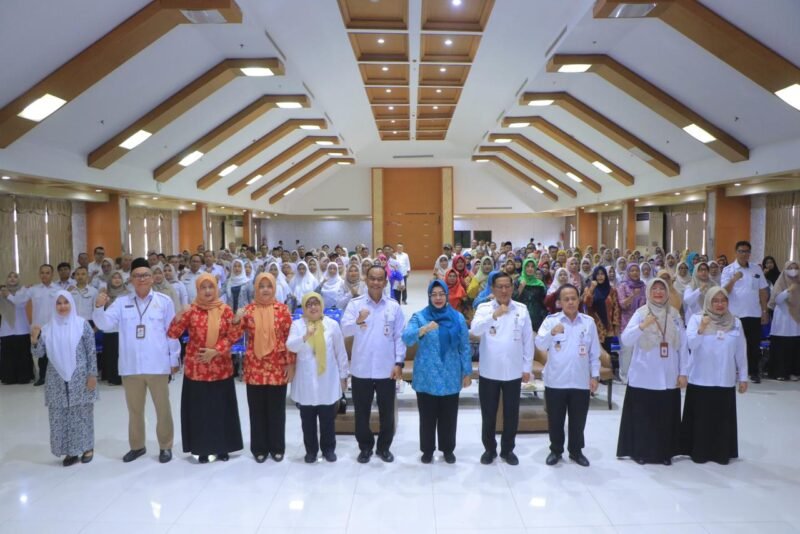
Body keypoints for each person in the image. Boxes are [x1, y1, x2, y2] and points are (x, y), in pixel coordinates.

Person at [93, 258, 181, 463]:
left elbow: (172, 332)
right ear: (131, 280)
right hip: (131, 366)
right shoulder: (121, 303)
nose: (142, 279)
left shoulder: (163, 301)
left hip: (157, 365)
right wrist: (98, 308)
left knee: (163, 409)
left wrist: (174, 358)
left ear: (152, 278)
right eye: (137, 276)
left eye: (145, 275)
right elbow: (105, 324)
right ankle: (137, 446)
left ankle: (165, 446)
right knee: (135, 411)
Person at [167, 273, 243, 463]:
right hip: (197, 370)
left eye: (211, 287)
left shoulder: (225, 310)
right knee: (200, 411)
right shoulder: (191, 310)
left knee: (221, 409)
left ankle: (223, 448)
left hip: (220, 368)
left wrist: (216, 351)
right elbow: (173, 333)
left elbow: (234, 335)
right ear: (197, 290)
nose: (208, 291)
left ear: (216, 289)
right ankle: (202, 449)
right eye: (203, 287)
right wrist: (179, 315)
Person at [617, 278, 688, 465]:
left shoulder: (674, 315)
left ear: (667, 292)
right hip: (644, 375)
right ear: (648, 292)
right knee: (644, 417)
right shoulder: (641, 313)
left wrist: (683, 373)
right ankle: (641, 452)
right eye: (654, 289)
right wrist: (642, 326)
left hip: (668, 374)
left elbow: (683, 345)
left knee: (665, 416)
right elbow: (626, 339)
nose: (658, 292)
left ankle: (665, 453)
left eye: (661, 289)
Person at [341, 265, 405, 464]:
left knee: (387, 413)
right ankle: (365, 447)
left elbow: (399, 337)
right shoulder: (355, 304)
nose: (376, 282)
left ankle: (384, 447)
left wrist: (399, 362)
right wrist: (358, 320)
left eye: (380, 279)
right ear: (366, 280)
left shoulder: (393, 306)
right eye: (372, 279)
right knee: (362, 412)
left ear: (385, 282)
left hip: (387, 369)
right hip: (362, 368)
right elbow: (344, 330)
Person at [403, 280, 471, 464]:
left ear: (447, 296)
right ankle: (427, 450)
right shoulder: (420, 317)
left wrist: (467, 372)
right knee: (427, 416)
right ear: (429, 297)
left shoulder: (457, 318)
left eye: (442, 294)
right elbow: (406, 338)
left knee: (449, 416)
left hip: (450, 373)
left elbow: (464, 347)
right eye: (434, 294)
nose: (438, 298)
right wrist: (423, 329)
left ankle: (448, 449)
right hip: (427, 374)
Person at [470, 272, 534, 466]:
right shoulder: (484, 308)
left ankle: (508, 450)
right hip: (489, 371)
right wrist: (493, 316)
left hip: (513, 371)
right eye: (500, 286)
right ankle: (489, 449)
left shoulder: (521, 309)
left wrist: (527, 368)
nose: (504, 290)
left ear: (512, 288)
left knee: (511, 414)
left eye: (507, 286)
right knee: (488, 414)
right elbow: (475, 330)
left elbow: (528, 340)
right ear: (493, 288)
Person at [681, 287, 748, 464]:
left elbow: (741, 352)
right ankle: (699, 452)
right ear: (708, 302)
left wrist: (743, 377)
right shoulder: (697, 319)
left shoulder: (735, 322)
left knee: (721, 420)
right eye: (715, 301)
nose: (719, 304)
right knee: (701, 420)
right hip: (700, 379)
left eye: (723, 300)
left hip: (724, 379)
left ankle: (720, 453)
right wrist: (701, 329)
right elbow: (691, 345)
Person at [536, 284, 601, 467]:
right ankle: (556, 450)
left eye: (574, 298)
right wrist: (551, 333)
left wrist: (595, 376)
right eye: (566, 299)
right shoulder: (551, 321)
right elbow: (539, 344)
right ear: (560, 302)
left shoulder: (588, 323)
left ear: (579, 300)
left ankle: (576, 451)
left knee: (578, 420)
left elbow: (594, 353)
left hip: (580, 381)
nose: (571, 302)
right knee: (555, 419)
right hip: (556, 380)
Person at [233, 273, 294, 463]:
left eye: (269, 286)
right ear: (256, 289)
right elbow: (234, 336)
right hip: (255, 366)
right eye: (261, 286)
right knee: (257, 410)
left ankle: (277, 447)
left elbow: (290, 338)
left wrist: (290, 363)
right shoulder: (248, 310)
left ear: (274, 288)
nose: (265, 289)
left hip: (277, 366)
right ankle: (259, 448)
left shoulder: (282, 310)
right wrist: (236, 319)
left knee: (276, 410)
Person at [31, 291, 97, 466]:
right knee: (61, 416)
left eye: (66, 302)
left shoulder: (82, 325)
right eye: (58, 303)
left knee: (82, 413)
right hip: (56, 380)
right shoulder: (47, 329)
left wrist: (92, 374)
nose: (62, 306)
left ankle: (87, 447)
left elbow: (91, 351)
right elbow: (39, 354)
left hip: (80, 377)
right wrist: (34, 340)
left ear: (71, 304)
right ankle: (70, 451)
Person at [286, 292, 349, 463]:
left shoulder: (332, 325)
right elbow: (291, 346)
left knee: (327, 419)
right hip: (306, 381)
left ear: (322, 305)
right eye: (309, 304)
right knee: (307, 420)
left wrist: (343, 375)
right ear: (304, 308)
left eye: (316, 303)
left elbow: (340, 352)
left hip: (327, 379)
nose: (313, 307)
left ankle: (328, 449)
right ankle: (311, 451)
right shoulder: (298, 325)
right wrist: (305, 336)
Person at [3, 264, 61, 386]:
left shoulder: (59, 289)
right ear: (39, 274)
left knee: (56, 353)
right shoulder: (33, 289)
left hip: (55, 326)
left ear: (52, 274)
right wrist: (9, 295)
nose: (44, 275)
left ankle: (58, 378)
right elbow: (19, 300)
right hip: (38, 328)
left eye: (47, 273)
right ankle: (42, 377)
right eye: (42, 273)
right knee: (41, 354)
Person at [721, 241, 769, 383]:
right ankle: (732, 371)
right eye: (741, 251)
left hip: (754, 313)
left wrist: (764, 311)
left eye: (747, 251)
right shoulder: (728, 270)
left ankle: (753, 372)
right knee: (734, 344)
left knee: (753, 345)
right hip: (735, 315)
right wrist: (734, 280)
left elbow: (763, 291)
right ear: (736, 252)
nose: (744, 254)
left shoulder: (756, 269)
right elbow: (724, 291)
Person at [583, 266, 620, 378]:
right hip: (596, 326)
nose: (600, 276)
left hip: (609, 327)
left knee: (613, 350)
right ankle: (597, 374)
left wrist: (616, 325)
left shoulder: (612, 290)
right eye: (598, 274)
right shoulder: (589, 289)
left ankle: (612, 373)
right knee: (596, 351)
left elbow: (616, 308)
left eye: (602, 274)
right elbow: (587, 303)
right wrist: (592, 288)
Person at [767, 261, 800, 381]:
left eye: (795, 268)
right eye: (790, 268)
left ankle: (794, 372)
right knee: (781, 347)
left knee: (795, 347)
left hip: (796, 320)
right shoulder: (780, 282)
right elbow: (777, 299)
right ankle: (780, 372)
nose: (793, 270)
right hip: (782, 319)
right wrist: (789, 291)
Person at [0, 272, 35, 384]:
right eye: (9, 276)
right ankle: (8, 378)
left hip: (21, 328)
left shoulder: (23, 291)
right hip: (6, 329)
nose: (12, 279)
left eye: (15, 276)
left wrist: (8, 295)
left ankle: (24, 377)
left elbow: (19, 303)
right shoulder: (1, 292)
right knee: (8, 356)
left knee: (23, 354)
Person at [616, 263, 646, 381]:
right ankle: (624, 375)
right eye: (632, 271)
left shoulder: (643, 286)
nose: (635, 273)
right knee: (626, 350)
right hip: (626, 322)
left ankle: (636, 376)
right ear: (628, 273)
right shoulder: (623, 286)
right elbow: (622, 304)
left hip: (640, 322)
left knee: (638, 350)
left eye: (637, 270)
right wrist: (633, 296)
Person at [98, 271, 128, 385]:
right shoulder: (104, 293)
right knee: (111, 354)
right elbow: (98, 309)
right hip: (110, 329)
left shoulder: (128, 293)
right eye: (114, 277)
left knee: (123, 354)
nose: (116, 280)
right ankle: (112, 377)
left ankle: (124, 377)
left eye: (119, 277)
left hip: (124, 328)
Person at [513, 258, 547, 331]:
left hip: (536, 318)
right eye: (527, 266)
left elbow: (544, 303)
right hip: (520, 316)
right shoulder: (518, 282)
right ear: (524, 268)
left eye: (532, 266)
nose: (530, 269)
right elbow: (513, 300)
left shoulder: (540, 284)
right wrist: (521, 288)